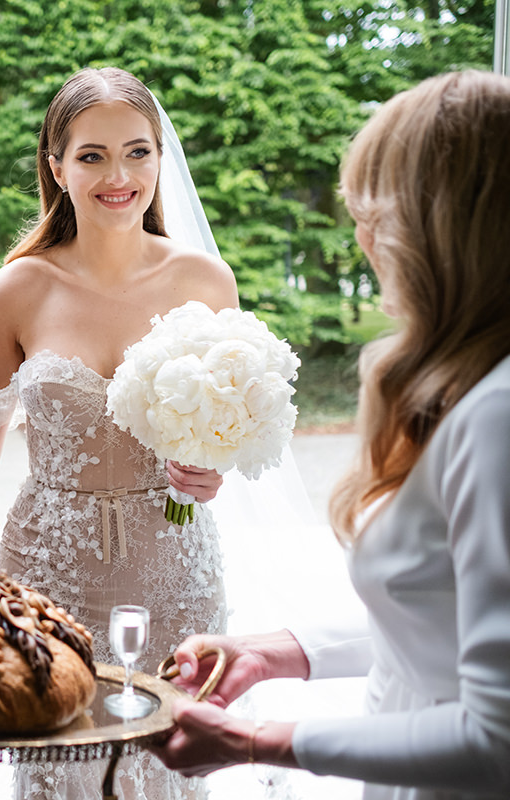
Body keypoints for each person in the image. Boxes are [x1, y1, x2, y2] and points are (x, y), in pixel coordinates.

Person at [153, 70, 510, 800]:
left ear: (446, 227)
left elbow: (497, 736)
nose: (362, 236)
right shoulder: (468, 387)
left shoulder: (496, 419)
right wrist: (275, 655)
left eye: (379, 210)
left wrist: (258, 740)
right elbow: (442, 626)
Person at [0, 67, 236, 800]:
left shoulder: (206, 281)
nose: (118, 175)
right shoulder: (17, 289)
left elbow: (223, 432)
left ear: (161, 160)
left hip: (175, 573)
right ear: (57, 166)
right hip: (48, 573)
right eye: (92, 155)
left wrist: (210, 470)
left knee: (168, 765)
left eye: (137, 151)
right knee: (56, 771)